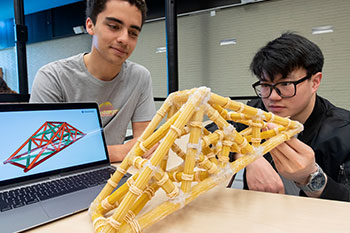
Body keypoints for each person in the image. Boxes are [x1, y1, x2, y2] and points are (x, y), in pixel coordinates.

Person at [30, 0, 156, 162]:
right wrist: (121, 151)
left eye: (133, 33)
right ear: (90, 26)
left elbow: (145, 144)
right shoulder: (52, 77)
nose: (124, 39)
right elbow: (44, 152)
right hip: (66, 174)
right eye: (114, 26)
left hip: (117, 170)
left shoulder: (140, 76)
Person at [241, 32, 350, 201]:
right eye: (265, 85)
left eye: (285, 84)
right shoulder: (256, 112)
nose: (273, 97)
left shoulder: (344, 130)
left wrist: (310, 177)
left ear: (315, 82)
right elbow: (214, 133)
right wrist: (249, 157)